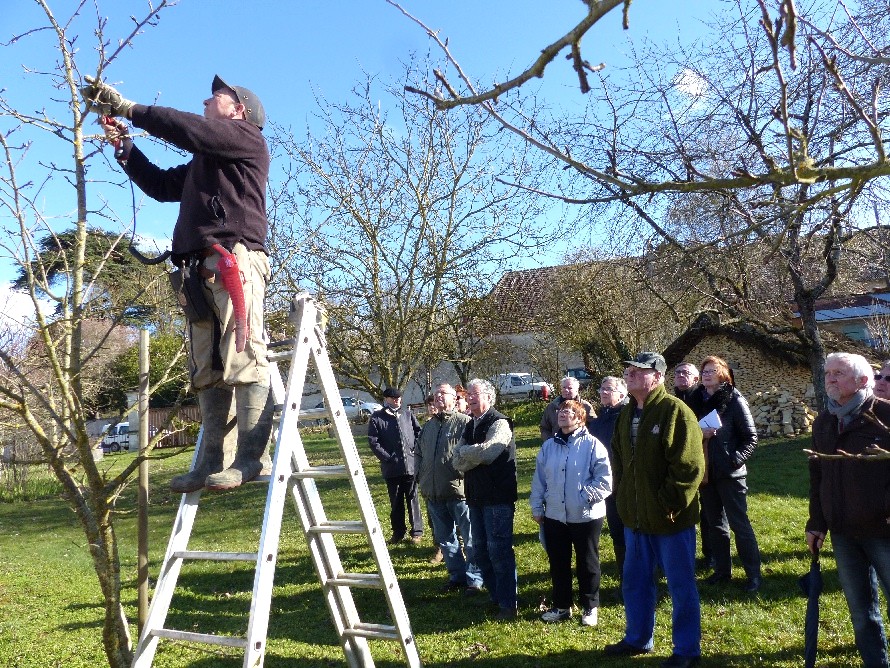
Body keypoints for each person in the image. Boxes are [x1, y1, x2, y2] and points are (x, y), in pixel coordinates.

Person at [84, 75, 273, 493]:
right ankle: (209, 464)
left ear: (239, 111)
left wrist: (130, 108)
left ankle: (248, 460)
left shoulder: (246, 140)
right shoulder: (206, 164)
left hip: (233, 262)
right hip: (197, 272)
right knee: (206, 369)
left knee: (245, 357)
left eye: (217, 97)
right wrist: (125, 145)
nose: (207, 100)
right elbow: (160, 185)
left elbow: (191, 129)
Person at [604, 352, 704, 668]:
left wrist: (667, 504)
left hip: (670, 520)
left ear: (657, 377)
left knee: (680, 586)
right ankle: (637, 638)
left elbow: (689, 467)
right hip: (634, 519)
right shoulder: (625, 414)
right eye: (628, 370)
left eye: (638, 371)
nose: (630, 374)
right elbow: (618, 459)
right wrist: (621, 498)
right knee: (634, 581)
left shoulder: (676, 412)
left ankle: (687, 650)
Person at [807, 352, 890, 668]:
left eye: (839, 373)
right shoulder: (825, 422)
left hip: (883, 529)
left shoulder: (884, 417)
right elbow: (817, 476)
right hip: (843, 531)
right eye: (828, 372)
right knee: (860, 611)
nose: (830, 378)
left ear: (863, 381)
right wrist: (817, 522)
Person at [531, 399, 612, 627]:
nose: (562, 414)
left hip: (586, 515)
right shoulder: (548, 447)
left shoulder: (593, 445)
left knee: (587, 562)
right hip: (555, 515)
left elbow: (605, 481)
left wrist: (584, 497)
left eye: (568, 411)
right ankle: (562, 606)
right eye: (560, 411)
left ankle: (590, 606)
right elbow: (539, 481)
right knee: (558, 563)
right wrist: (538, 507)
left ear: (580, 417)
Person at [687, 356, 762, 593]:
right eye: (704, 371)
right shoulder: (695, 401)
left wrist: (733, 460)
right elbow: (688, 434)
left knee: (740, 525)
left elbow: (751, 438)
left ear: (723, 374)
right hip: (706, 473)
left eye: (712, 370)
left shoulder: (734, 399)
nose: (707, 374)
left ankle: (753, 575)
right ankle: (722, 571)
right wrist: (702, 435)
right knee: (716, 526)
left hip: (730, 474)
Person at [452, 378, 518, 621]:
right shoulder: (470, 425)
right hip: (476, 497)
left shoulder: (499, 422)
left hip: (497, 498)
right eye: (468, 394)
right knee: (480, 552)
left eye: (475, 394)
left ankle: (508, 604)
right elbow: (455, 461)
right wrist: (471, 452)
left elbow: (490, 452)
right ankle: (496, 597)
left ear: (489, 398)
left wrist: (467, 452)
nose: (470, 398)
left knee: (498, 551)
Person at [416, 384, 482, 592]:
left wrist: (462, 473)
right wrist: (420, 476)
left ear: (454, 399)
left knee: (470, 538)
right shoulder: (428, 426)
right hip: (433, 492)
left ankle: (475, 578)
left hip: (459, 491)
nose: (438, 398)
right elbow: (418, 454)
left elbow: (474, 454)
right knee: (445, 539)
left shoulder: (465, 423)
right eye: (435, 395)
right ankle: (457, 576)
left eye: (442, 394)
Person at [673, 362, 716, 571]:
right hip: (677, 461)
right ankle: (681, 554)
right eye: (678, 372)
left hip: (703, 458)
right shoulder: (671, 400)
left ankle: (711, 555)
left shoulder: (701, 398)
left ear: (696, 379)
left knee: (707, 512)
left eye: (686, 373)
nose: (681, 376)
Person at [367, 388, 423, 544]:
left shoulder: (407, 415)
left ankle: (417, 532)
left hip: (410, 466)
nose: (397, 400)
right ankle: (398, 532)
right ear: (386, 399)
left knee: (413, 500)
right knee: (396, 502)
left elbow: (419, 433)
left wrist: (414, 452)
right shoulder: (377, 418)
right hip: (392, 468)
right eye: (393, 398)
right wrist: (387, 457)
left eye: (399, 397)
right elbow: (373, 441)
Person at [588, 375, 629, 582]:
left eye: (609, 389)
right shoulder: (597, 422)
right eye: (602, 389)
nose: (604, 392)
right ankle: (625, 577)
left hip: (628, 484)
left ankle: (639, 576)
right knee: (616, 531)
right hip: (607, 485)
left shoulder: (629, 416)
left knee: (632, 532)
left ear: (622, 393)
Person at [540, 376, 596, 441]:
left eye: (570, 388)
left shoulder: (585, 406)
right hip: (557, 445)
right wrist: (551, 442)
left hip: (579, 446)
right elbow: (544, 428)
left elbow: (595, 426)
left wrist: (586, 441)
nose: (566, 390)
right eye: (564, 387)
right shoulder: (552, 406)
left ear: (576, 390)